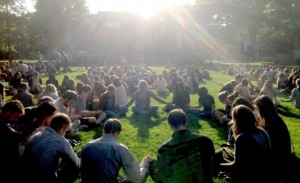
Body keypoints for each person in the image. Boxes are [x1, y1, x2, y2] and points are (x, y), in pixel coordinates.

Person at [148, 109, 216, 183]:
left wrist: (151, 164)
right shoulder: (205, 140)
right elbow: (213, 166)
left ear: (170, 124)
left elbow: (161, 178)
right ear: (186, 121)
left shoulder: (164, 149)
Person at [220, 105, 279, 183]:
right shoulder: (262, 131)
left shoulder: (243, 137)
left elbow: (237, 165)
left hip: (253, 175)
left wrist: (218, 165)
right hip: (268, 171)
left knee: (219, 156)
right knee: (224, 152)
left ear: (237, 120)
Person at [80, 118, 151, 183]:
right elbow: (136, 179)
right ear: (117, 133)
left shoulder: (87, 145)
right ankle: (146, 163)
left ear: (103, 132)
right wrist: (144, 165)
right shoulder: (120, 148)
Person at [22, 113, 81, 183]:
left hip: (26, 176)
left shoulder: (35, 135)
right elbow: (76, 164)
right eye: (66, 131)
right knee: (79, 157)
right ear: (61, 129)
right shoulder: (60, 141)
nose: (65, 134)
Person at [254, 95, 292, 183]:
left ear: (263, 109)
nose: (257, 111)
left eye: (257, 108)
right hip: (277, 156)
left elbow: (272, 147)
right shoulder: (273, 119)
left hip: (278, 159)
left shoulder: (274, 124)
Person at [0, 100, 25, 183]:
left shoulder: (3, 120)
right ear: (8, 112)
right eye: (16, 116)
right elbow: (16, 136)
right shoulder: (1, 123)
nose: (15, 119)